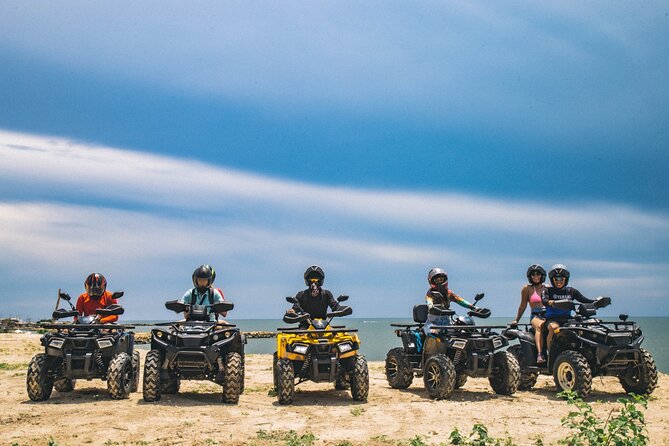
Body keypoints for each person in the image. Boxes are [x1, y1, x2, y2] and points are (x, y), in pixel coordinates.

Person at [542, 264, 594, 354]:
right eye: (556, 279)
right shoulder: (547, 290)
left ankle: (583, 352)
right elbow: (544, 300)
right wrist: (550, 302)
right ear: (552, 280)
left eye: (561, 279)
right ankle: (550, 353)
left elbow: (584, 300)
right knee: (554, 327)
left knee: (585, 328)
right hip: (552, 319)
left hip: (568, 319)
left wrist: (597, 302)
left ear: (565, 279)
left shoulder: (571, 291)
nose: (559, 281)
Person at [424, 268, 478, 335]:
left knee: (459, 334)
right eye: (437, 280)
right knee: (433, 334)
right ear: (431, 281)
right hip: (433, 323)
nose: (440, 282)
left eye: (441, 279)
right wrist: (432, 307)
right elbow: (429, 303)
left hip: (447, 323)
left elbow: (459, 300)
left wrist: (473, 307)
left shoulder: (448, 293)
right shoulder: (430, 294)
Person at [511, 264, 548, 363]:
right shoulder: (527, 289)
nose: (536, 276)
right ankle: (540, 354)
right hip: (535, 315)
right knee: (540, 326)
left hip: (548, 314)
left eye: (538, 274)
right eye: (533, 274)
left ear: (542, 275)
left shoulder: (547, 287)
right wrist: (516, 320)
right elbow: (523, 305)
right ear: (530, 277)